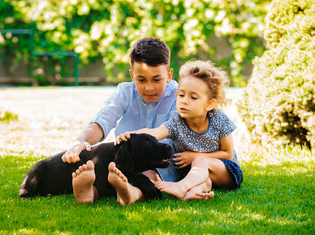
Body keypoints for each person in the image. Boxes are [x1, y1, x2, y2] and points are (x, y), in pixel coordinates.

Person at [61, 37, 178, 205]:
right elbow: (102, 122)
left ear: (169, 75)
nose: (149, 87)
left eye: (156, 79)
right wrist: (80, 140)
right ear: (132, 75)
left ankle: (131, 193)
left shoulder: (179, 96)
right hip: (125, 164)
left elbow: (177, 127)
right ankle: (89, 192)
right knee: (108, 170)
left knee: (148, 176)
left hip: (161, 163)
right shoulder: (124, 92)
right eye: (141, 79)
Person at [115, 60, 243, 200]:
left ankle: (181, 186)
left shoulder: (218, 120)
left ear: (209, 104)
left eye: (193, 97)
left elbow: (228, 154)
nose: (184, 101)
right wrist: (132, 134)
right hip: (194, 175)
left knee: (200, 160)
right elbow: (156, 132)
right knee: (204, 182)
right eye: (181, 95)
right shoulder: (177, 121)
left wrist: (195, 157)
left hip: (224, 171)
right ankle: (193, 192)